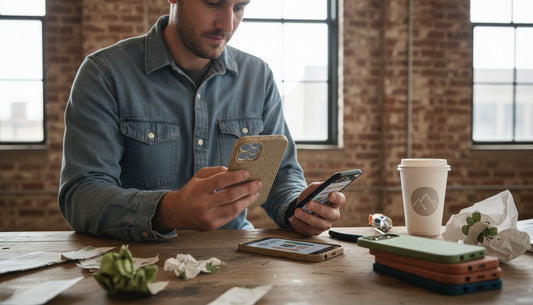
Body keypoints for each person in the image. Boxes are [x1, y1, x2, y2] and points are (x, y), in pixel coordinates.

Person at [59, 0, 346, 241]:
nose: (227, 24)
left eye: (239, 6)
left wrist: (299, 208)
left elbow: (281, 175)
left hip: (237, 262)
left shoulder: (257, 77)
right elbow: (81, 196)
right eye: (213, 2)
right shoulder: (105, 74)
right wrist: (168, 210)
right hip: (137, 266)